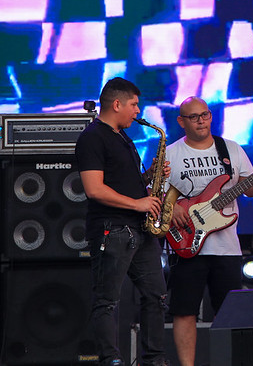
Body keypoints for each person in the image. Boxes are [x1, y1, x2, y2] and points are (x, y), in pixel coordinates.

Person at [165, 97, 253, 366]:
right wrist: (170, 209)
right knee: (184, 311)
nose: (201, 121)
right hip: (186, 244)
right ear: (181, 121)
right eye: (194, 117)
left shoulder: (230, 149)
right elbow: (157, 194)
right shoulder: (171, 153)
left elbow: (249, 188)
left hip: (227, 248)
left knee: (230, 312)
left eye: (205, 115)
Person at [75, 77, 170, 366]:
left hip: (140, 229)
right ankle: (111, 360)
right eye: (134, 104)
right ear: (117, 104)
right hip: (112, 229)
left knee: (156, 296)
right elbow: (94, 189)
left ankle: (154, 359)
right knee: (107, 301)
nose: (138, 111)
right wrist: (138, 203)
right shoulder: (93, 137)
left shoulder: (122, 137)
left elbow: (123, 182)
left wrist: (150, 175)